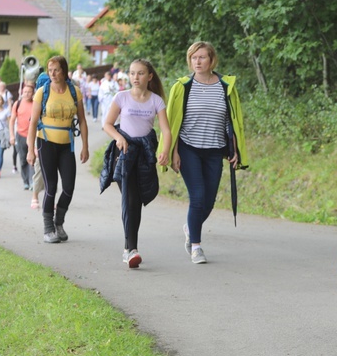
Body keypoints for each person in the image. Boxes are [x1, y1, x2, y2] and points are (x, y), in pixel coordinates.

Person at [161, 41, 248, 264]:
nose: (197, 62)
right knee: (197, 197)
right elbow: (173, 122)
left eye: (202, 57)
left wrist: (234, 148)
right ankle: (196, 247)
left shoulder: (225, 86)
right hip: (189, 149)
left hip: (215, 151)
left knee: (208, 202)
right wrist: (174, 152)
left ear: (212, 60)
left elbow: (233, 120)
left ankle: (190, 228)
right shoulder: (182, 87)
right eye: (193, 57)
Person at [101, 59, 172, 268]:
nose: (135, 77)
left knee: (137, 201)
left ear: (149, 76)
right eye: (132, 73)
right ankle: (131, 249)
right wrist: (119, 137)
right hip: (124, 153)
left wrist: (165, 151)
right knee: (130, 199)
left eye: (140, 73)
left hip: (144, 154)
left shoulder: (156, 101)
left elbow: (165, 130)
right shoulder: (121, 97)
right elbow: (107, 124)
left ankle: (128, 248)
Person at [27, 56, 89, 244]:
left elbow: (83, 120)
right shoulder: (41, 92)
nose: (52, 74)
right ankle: (48, 228)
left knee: (69, 187)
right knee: (51, 186)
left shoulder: (74, 91)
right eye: (50, 70)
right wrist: (30, 149)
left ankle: (59, 222)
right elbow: (32, 123)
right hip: (45, 143)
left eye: (56, 70)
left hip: (66, 145)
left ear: (64, 71)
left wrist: (85, 146)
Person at [10, 83, 35, 190]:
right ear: (22, 92)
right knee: (23, 159)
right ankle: (25, 181)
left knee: (33, 159)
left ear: (33, 93)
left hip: (33, 136)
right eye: (25, 92)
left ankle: (33, 181)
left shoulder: (36, 104)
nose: (27, 94)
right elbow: (12, 120)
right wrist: (12, 135)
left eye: (29, 92)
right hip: (20, 135)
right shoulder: (18, 103)